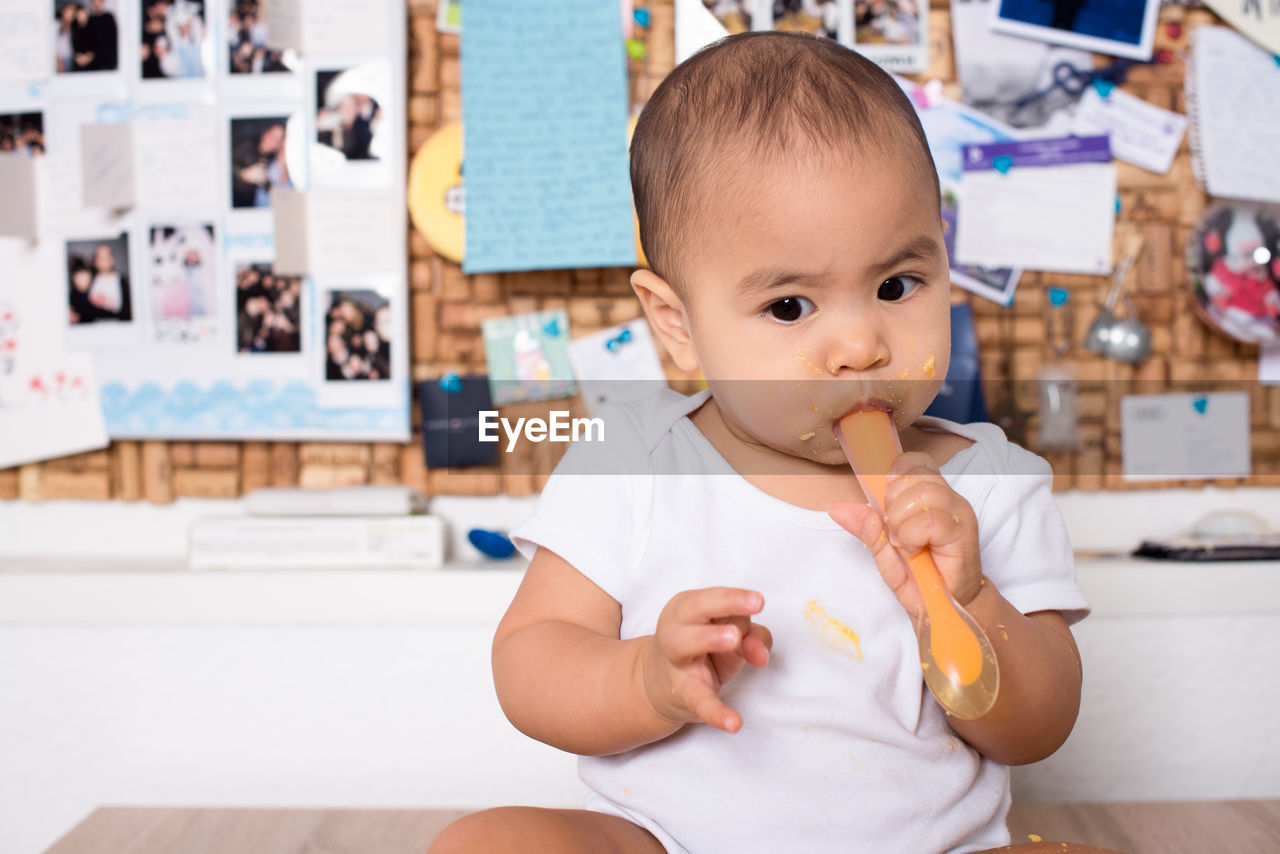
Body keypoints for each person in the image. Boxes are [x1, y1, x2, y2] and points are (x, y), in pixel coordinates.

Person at [429, 32, 1114, 854]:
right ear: (677, 324)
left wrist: (969, 603)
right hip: (673, 841)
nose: (860, 345)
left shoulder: (989, 483)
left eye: (898, 285)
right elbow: (530, 663)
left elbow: (1038, 729)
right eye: (790, 307)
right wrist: (645, 678)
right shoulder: (637, 461)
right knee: (486, 843)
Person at [231, 121, 291, 208]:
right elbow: (225, 166)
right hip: (234, 201)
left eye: (278, 139)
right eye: (272, 136)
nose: (273, 141)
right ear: (265, 134)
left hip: (251, 204)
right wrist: (243, 174)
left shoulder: (271, 159)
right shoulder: (246, 146)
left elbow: (264, 180)